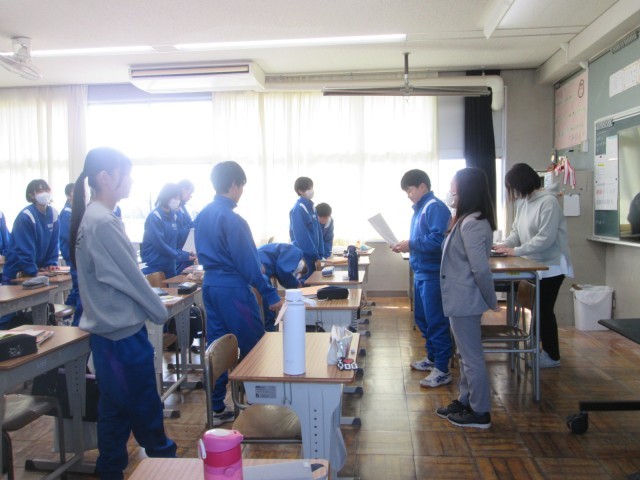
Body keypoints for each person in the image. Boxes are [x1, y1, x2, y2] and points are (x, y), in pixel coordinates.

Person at [69, 147, 176, 479]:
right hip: (123, 340)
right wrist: (159, 311)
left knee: (114, 413)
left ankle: (110, 471)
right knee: (145, 411)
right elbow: (132, 278)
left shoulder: (95, 217)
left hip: (108, 338)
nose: (130, 180)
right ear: (105, 177)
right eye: (125, 174)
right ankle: (170, 468)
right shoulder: (101, 221)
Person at [195, 161, 283, 425]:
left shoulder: (203, 215)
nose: (242, 191)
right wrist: (270, 295)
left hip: (210, 286)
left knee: (219, 348)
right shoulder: (233, 220)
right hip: (233, 290)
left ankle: (216, 406)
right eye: (242, 186)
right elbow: (249, 265)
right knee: (255, 345)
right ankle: (260, 404)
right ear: (234, 184)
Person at [494, 163, 573, 368]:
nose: (513, 192)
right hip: (534, 264)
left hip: (552, 266)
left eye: (513, 187)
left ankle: (552, 355)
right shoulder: (524, 202)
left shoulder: (549, 202)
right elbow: (516, 232)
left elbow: (545, 238)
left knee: (544, 310)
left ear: (522, 183)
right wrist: (504, 246)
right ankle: (537, 348)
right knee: (536, 309)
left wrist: (516, 251)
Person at [437, 167, 498, 429]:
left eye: (454, 188)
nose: (451, 192)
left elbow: (480, 269)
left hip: (466, 299)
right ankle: (466, 400)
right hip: (459, 298)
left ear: (466, 190)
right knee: (464, 354)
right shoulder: (464, 220)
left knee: (471, 357)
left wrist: (491, 300)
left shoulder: (472, 223)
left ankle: (480, 411)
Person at [392, 169, 453, 387]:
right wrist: (406, 245)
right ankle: (433, 358)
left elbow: (438, 240)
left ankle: (443, 369)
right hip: (421, 272)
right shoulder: (420, 209)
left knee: (436, 322)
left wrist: (411, 244)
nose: (408, 195)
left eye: (410, 190)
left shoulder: (434, 206)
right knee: (423, 320)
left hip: (433, 274)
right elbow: (421, 239)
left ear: (422, 187)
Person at [1, 179, 60, 327]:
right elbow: (24, 248)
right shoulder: (27, 216)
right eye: (39, 191)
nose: (44, 193)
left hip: (36, 269)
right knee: (8, 313)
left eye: (46, 190)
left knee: (40, 308)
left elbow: (54, 243)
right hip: (17, 270)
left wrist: (51, 263)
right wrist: (33, 271)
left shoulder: (53, 214)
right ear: (31, 195)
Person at [140, 183, 195, 279]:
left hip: (171, 265)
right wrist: (181, 255)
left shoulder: (174, 216)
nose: (177, 201)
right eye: (175, 198)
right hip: (155, 266)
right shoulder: (155, 216)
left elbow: (178, 240)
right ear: (167, 196)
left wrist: (187, 253)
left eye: (179, 198)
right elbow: (161, 245)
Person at [257, 242, 306, 331]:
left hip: (261, 265)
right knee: (270, 300)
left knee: (270, 298)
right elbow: (283, 271)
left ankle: (270, 329)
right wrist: (296, 284)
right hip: (259, 269)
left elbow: (282, 271)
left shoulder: (289, 250)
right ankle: (270, 330)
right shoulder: (296, 252)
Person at [289, 176, 323, 280]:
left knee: (315, 284)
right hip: (304, 256)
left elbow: (318, 232)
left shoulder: (312, 208)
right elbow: (302, 237)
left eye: (311, 187)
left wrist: (320, 254)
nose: (311, 190)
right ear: (300, 191)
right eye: (308, 188)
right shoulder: (298, 209)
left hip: (313, 256)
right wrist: (314, 255)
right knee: (305, 284)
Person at [59, 182, 80, 319]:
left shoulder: (75, 211)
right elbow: (71, 236)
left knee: (77, 288)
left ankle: (67, 316)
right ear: (68, 195)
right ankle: (66, 317)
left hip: (77, 255)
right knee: (78, 287)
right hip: (72, 255)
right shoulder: (66, 214)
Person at [176, 179, 196, 272]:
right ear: (183, 189)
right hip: (180, 256)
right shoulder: (173, 209)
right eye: (190, 193)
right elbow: (180, 233)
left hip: (186, 253)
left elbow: (189, 224)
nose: (190, 197)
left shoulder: (182, 208)